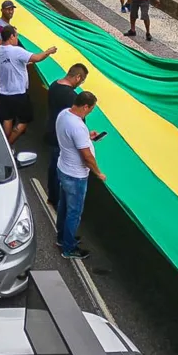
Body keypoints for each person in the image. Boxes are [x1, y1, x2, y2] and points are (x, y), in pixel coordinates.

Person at [55, 90, 106, 260]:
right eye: (91, 109)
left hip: (63, 168)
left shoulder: (64, 114)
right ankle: (69, 248)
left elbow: (74, 141)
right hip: (75, 175)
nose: (91, 111)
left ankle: (62, 238)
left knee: (63, 206)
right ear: (85, 106)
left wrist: (88, 138)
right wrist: (98, 173)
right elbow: (86, 157)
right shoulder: (77, 126)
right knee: (74, 212)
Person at [0, 25, 58, 144]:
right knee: (24, 121)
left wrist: (24, 64)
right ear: (11, 36)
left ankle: (3, 144)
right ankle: (9, 143)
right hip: (18, 93)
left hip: (4, 92)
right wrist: (49, 51)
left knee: (7, 118)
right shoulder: (16, 50)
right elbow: (37, 58)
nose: (17, 38)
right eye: (16, 35)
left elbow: (11, 64)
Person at [45, 64, 89, 207]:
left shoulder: (53, 85)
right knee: (62, 170)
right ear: (77, 77)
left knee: (53, 166)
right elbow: (77, 119)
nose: (79, 84)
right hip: (64, 137)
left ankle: (52, 195)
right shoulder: (71, 96)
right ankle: (59, 201)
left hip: (52, 130)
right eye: (81, 81)